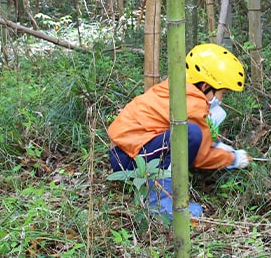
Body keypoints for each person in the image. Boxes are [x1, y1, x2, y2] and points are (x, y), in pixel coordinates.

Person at [107, 43, 250, 218]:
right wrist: (232, 158)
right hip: (130, 160)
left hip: (125, 154)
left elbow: (203, 143)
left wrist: (217, 146)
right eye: (223, 93)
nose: (222, 98)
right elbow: (200, 156)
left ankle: (156, 192)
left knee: (193, 132)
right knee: (190, 134)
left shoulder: (177, 88)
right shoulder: (192, 103)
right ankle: (158, 203)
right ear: (206, 86)